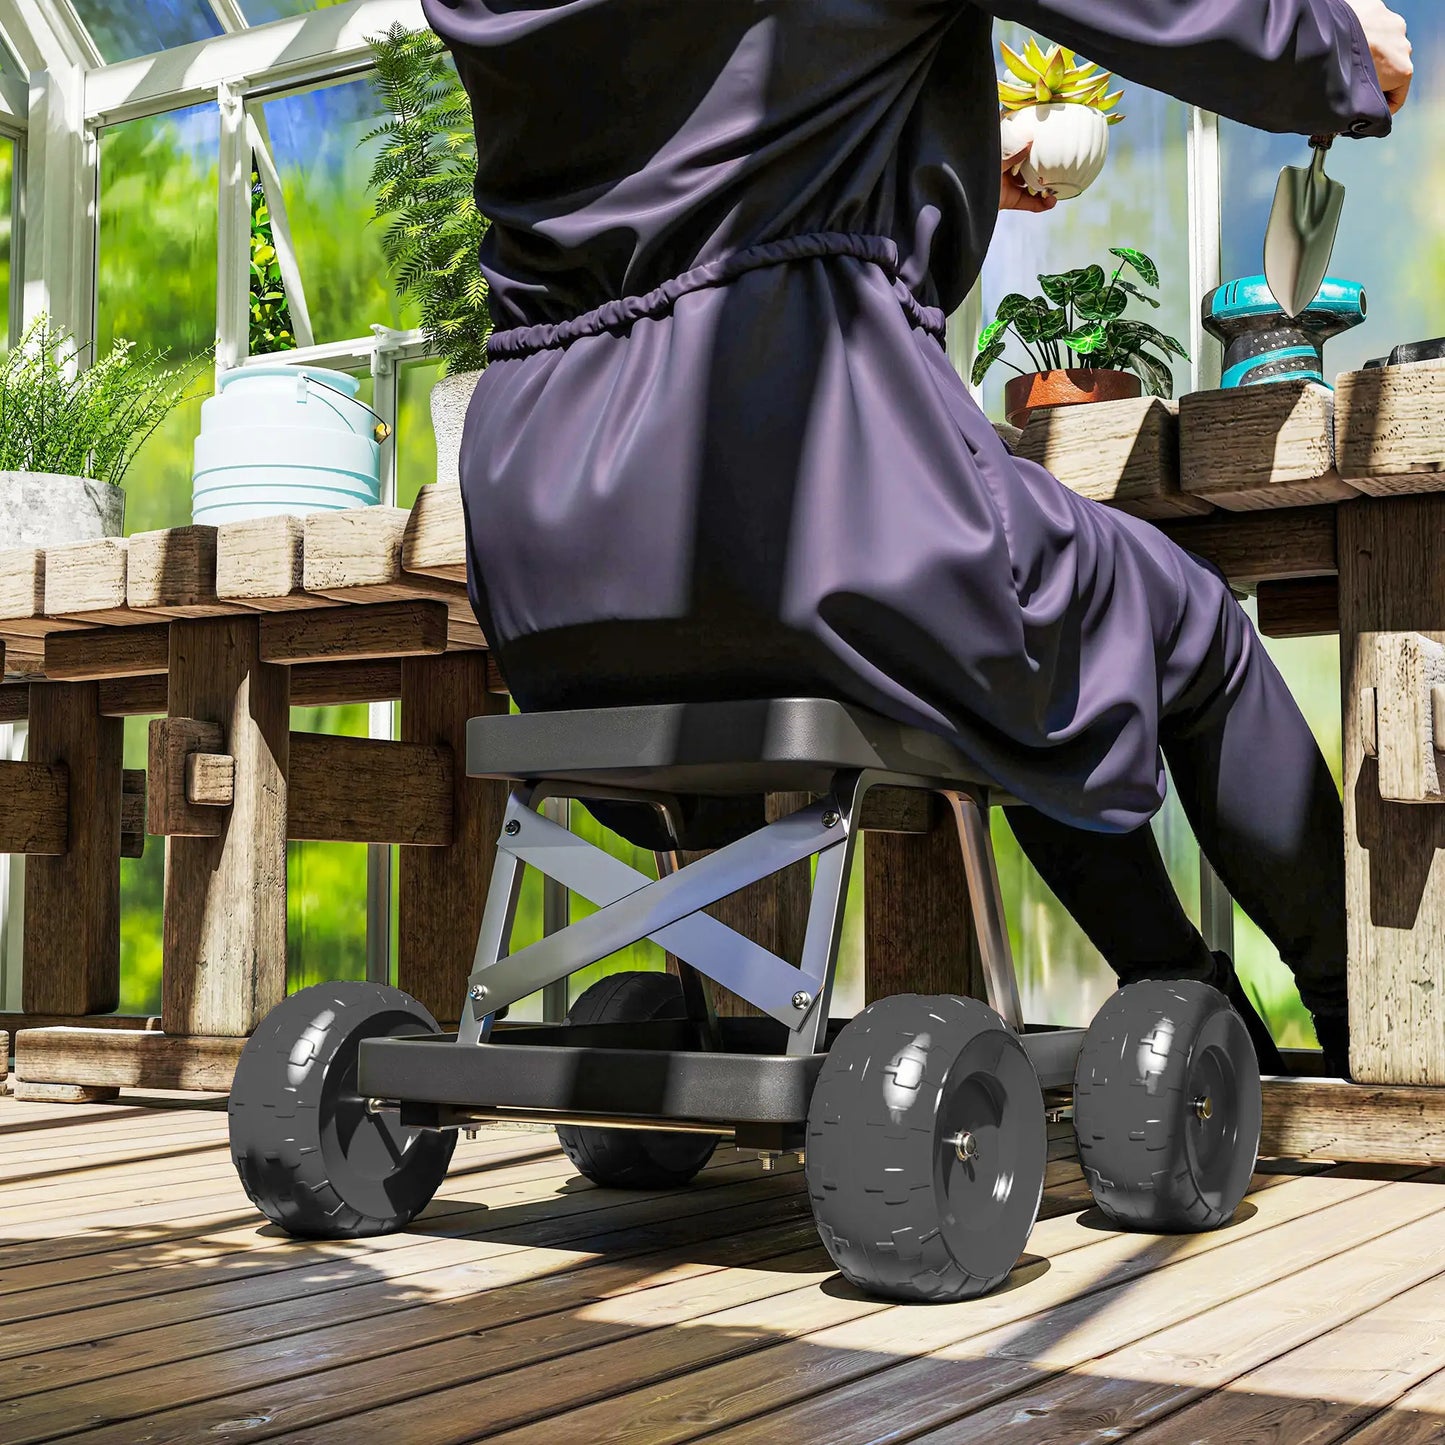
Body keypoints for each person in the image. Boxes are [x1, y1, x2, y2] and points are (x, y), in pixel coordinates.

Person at [421, 0, 1413, 1077]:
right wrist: (1333, 47)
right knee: (1170, 627)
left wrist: (921, 146)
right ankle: (1364, 1019)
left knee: (1039, 653)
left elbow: (668, 143)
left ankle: (1193, 1014)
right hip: (810, 475)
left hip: (545, 550)